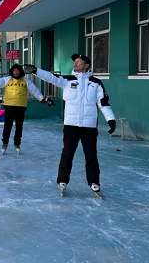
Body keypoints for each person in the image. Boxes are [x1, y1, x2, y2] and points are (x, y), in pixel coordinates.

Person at [24, 54, 116, 196]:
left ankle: (94, 182)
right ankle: (62, 180)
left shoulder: (96, 83)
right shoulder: (67, 80)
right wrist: (36, 71)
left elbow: (103, 103)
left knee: (91, 155)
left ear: (87, 65)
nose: (76, 63)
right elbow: (51, 77)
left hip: (89, 126)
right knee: (67, 153)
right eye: (75, 61)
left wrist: (111, 119)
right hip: (71, 125)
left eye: (79, 62)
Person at [0, 63, 53, 154]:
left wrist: (44, 99)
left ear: (21, 72)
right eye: (14, 71)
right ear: (12, 71)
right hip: (9, 106)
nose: (16, 72)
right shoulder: (7, 80)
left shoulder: (26, 81)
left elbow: (35, 91)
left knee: (19, 127)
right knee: (7, 126)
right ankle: (4, 143)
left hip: (21, 107)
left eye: (18, 71)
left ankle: (17, 144)